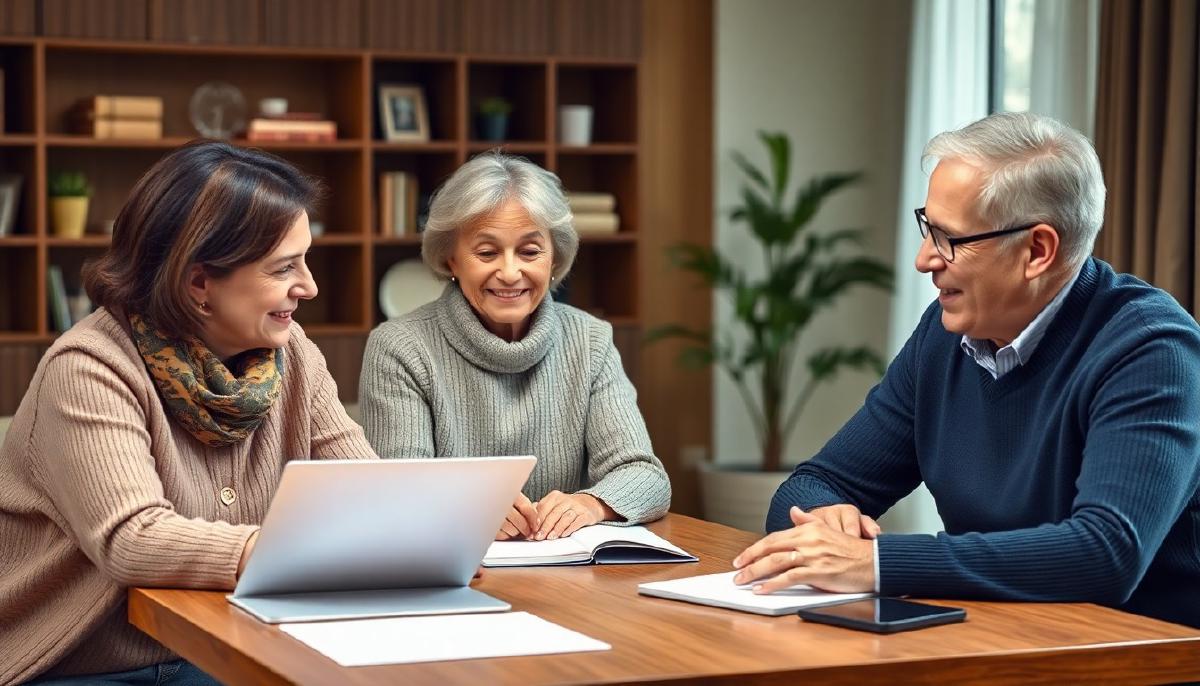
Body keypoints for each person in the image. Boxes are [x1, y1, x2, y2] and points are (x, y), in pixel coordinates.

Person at [733, 112, 1200, 630]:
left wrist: (876, 563)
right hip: (994, 635)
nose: (924, 259)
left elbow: (1106, 552)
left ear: (1037, 250)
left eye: (949, 239)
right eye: (927, 228)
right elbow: (817, 482)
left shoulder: (1152, 349)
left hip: (1142, 650)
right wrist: (824, 521)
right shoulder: (944, 335)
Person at [0, 141, 377, 684]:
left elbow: (368, 491)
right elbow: (134, 539)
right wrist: (287, 550)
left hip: (225, 641)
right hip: (76, 663)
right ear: (199, 283)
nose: (310, 286)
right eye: (284, 268)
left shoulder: (294, 355)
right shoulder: (88, 367)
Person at [361, 152, 671, 541]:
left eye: (529, 251)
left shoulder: (591, 341)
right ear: (451, 259)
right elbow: (396, 488)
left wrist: (591, 504)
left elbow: (645, 476)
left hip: (568, 566)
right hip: (456, 563)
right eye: (487, 253)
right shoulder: (399, 347)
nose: (510, 273)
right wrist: (470, 506)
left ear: (554, 258)